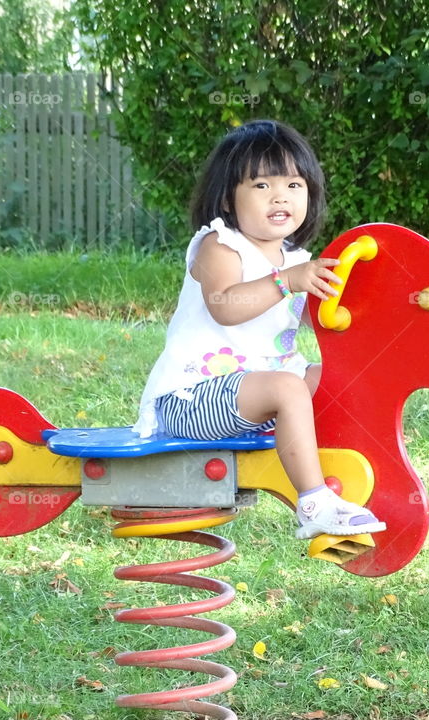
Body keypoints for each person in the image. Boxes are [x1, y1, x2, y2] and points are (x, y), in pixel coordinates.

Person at [133, 119, 386, 540]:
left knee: (338, 380)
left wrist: (362, 312)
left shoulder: (297, 259)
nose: (280, 196)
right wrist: (286, 282)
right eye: (262, 185)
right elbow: (224, 306)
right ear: (228, 198)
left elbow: (322, 321)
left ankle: (357, 476)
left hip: (254, 399)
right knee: (287, 387)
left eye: (294, 184)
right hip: (193, 398)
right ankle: (313, 503)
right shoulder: (220, 245)